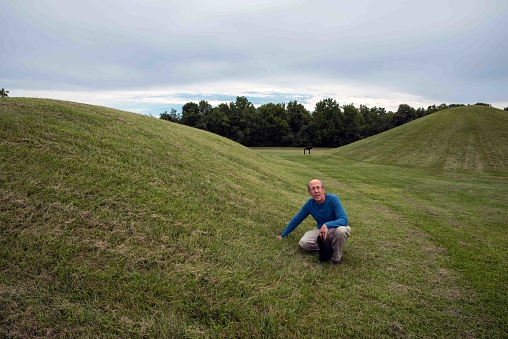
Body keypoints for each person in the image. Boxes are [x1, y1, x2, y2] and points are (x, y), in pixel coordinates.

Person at [277, 179, 351, 265]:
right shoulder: (310, 204)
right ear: (309, 192)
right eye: (313, 189)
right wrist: (282, 235)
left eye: (318, 188)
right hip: (321, 231)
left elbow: (344, 220)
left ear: (323, 189)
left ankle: (336, 258)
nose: (316, 191)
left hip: (336, 229)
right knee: (303, 243)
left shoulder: (333, 199)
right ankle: (328, 246)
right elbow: (297, 219)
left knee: (341, 231)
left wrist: (327, 225)